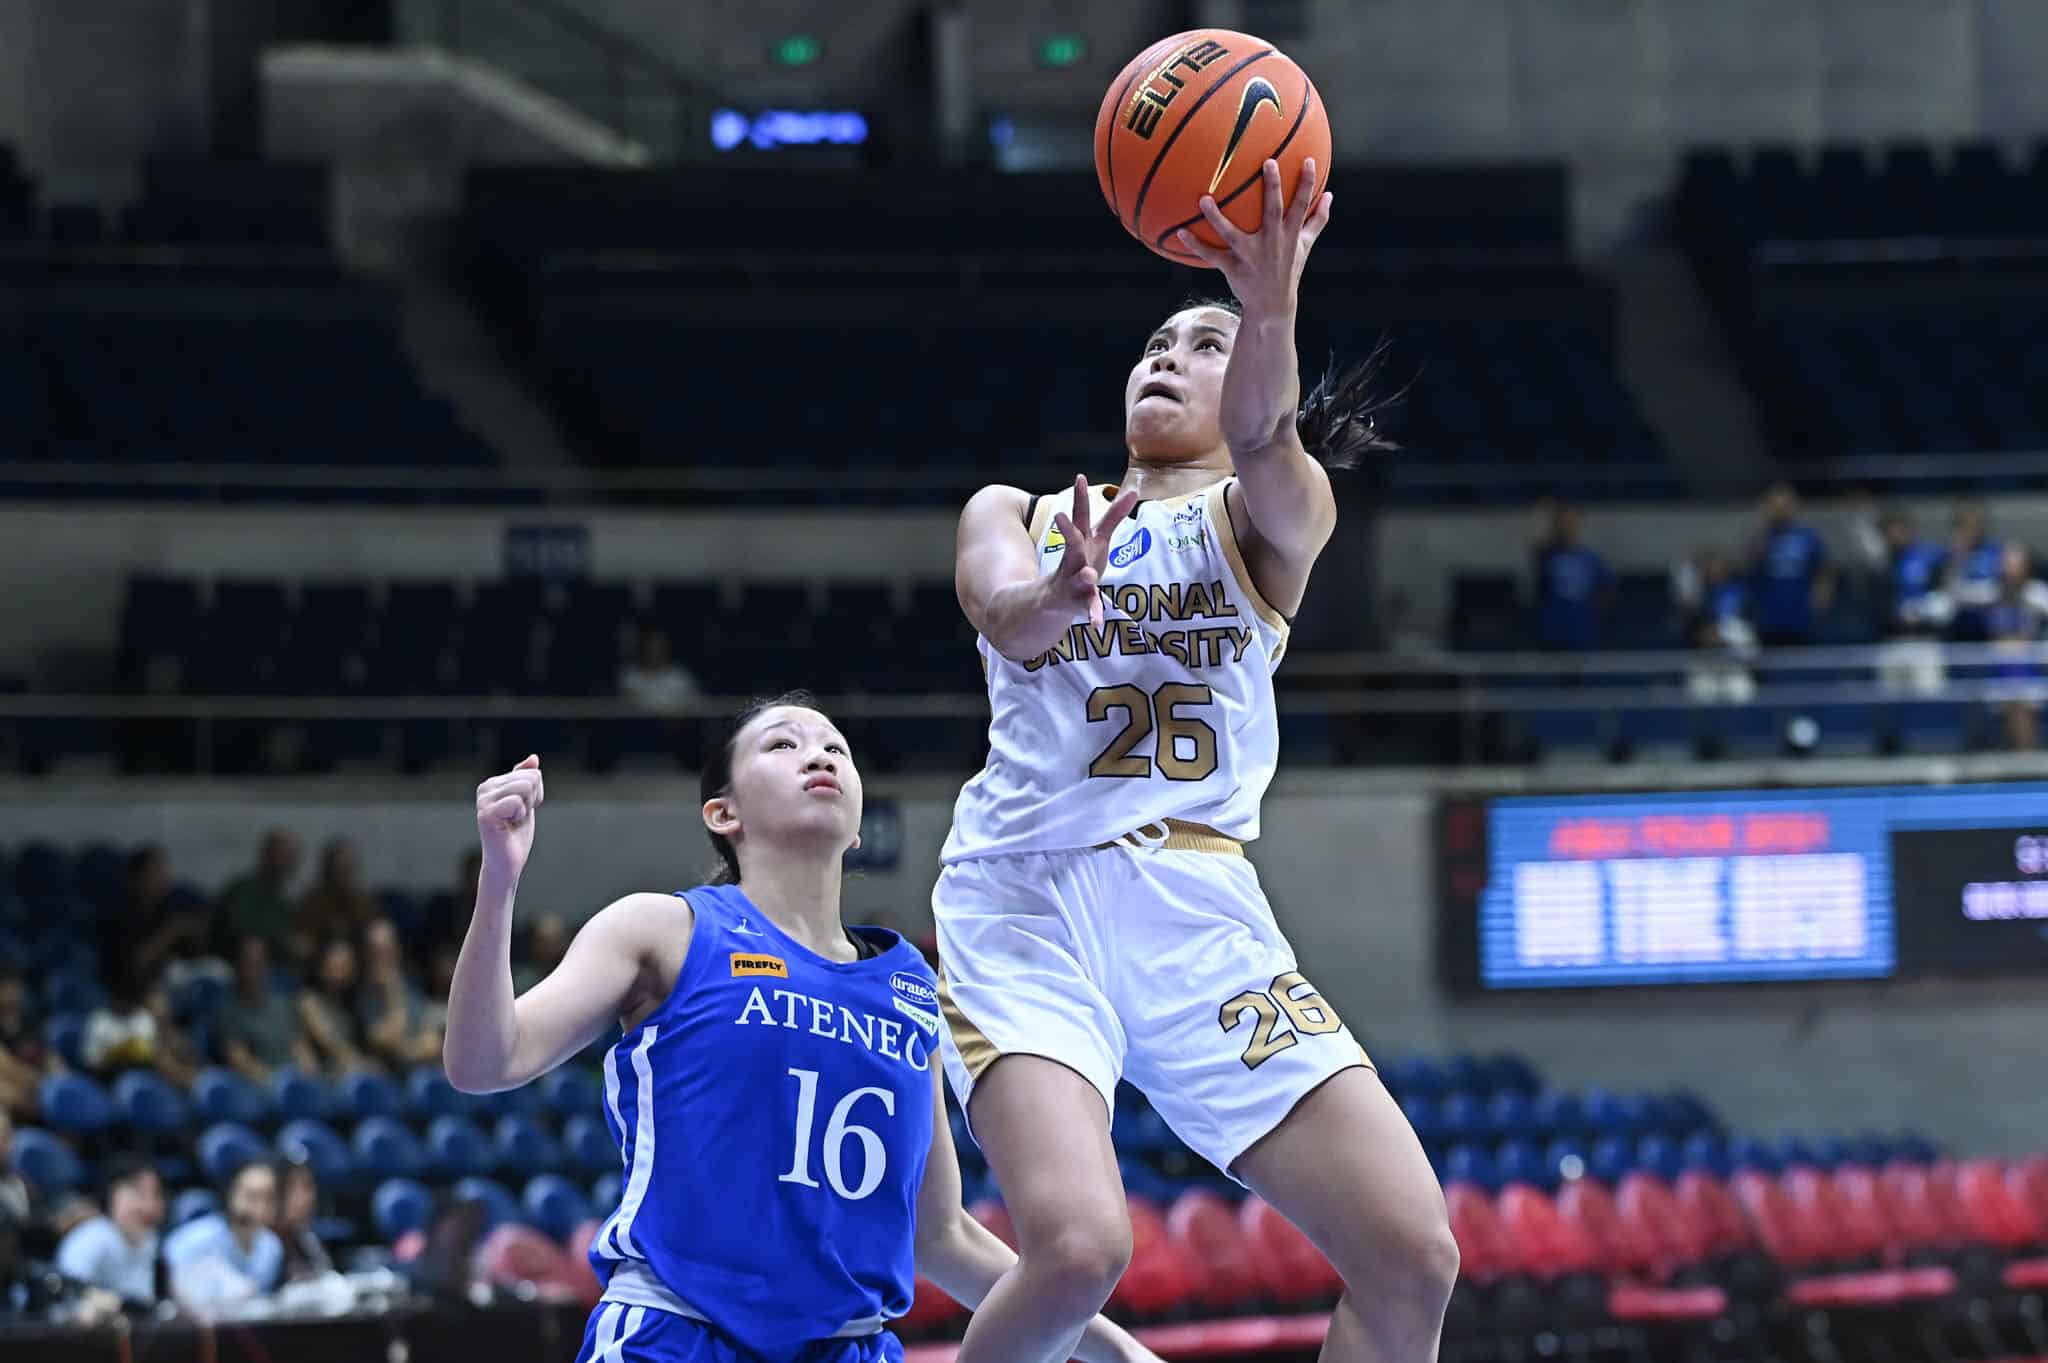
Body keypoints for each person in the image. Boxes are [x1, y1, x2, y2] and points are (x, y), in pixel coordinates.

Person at [940, 159, 1459, 1363]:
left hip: (1192, 900)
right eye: (1155, 340)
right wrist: (1060, 595)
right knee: (1073, 1253)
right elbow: (1004, 616)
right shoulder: (1011, 509)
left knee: (1412, 1258)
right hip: (1021, 893)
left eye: (1202, 341)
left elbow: (1270, 435)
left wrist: (1266, 303)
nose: (1164, 355)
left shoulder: (1271, 519)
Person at [443, 697, 1158, 1363]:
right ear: (723, 812)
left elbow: (937, 1234)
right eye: (782, 745)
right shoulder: (666, 927)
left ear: (857, 821)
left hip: (850, 1345)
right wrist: (499, 881)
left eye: (835, 749)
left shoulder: (907, 979)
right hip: (675, 1334)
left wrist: (1119, 1352)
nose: (818, 756)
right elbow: (484, 1060)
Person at [164, 1157, 283, 1317]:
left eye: (269, 1198)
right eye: (252, 1196)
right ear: (231, 1194)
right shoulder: (194, 1239)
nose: (260, 1207)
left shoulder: (272, 1246)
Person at [54, 1154, 163, 1309]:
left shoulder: (151, 1241)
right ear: (111, 1195)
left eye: (156, 1194)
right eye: (139, 1193)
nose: (149, 1206)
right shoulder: (91, 1238)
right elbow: (65, 1292)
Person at [217, 936, 318, 1084]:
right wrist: (275, 1082)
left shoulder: (282, 1004)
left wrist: (310, 1074)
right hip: (260, 1085)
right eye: (248, 963)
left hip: (294, 1080)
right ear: (237, 967)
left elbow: (299, 1046)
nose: (254, 970)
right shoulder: (229, 1011)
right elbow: (239, 1059)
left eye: (259, 963)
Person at [1745, 482, 1832, 646]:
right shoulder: (1761, 537)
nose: (1780, 510)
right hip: (1769, 616)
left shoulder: (1808, 537)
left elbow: (1823, 571)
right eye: (1775, 506)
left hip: (1801, 614)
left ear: (1794, 506)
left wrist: (1821, 597)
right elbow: (1749, 564)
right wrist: (1761, 526)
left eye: (1785, 505)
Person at [358, 918, 443, 1068]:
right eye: (377, 952)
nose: (384, 958)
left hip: (422, 1069)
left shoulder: (411, 986)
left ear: (397, 950)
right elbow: (388, 1040)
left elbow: (433, 1041)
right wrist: (392, 991)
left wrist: (411, 1050)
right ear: (367, 955)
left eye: (388, 950)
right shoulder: (364, 996)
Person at [1530, 499, 1611, 652]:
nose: (1567, 526)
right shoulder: (1547, 556)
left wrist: (1593, 615)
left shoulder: (1590, 558)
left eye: (1571, 521)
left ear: (1578, 523)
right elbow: (1535, 546)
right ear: (1556, 525)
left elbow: (1606, 589)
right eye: (1563, 522)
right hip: (1552, 633)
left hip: (1582, 632)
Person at [214, 829, 302, 963]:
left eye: (289, 857)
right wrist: (284, 940)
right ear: (265, 856)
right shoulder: (242, 891)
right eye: (280, 856)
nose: (283, 863)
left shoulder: (287, 900)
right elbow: (239, 929)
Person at [298, 939, 377, 1076]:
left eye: (347, 964)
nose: (342, 969)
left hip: (352, 1071)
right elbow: (329, 1041)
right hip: (323, 1072)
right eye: (337, 964)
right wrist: (360, 1062)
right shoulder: (308, 1000)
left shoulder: (352, 1004)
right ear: (322, 967)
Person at [296, 839, 377, 950]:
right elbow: (304, 942)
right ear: (328, 869)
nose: (343, 876)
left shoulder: (363, 904)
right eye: (339, 869)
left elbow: (372, 937)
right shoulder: (312, 903)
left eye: (347, 869)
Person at [620, 627, 701, 713]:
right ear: (643, 647)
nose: (655, 650)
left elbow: (697, 706)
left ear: (666, 648)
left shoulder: (680, 677)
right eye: (651, 645)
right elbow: (625, 708)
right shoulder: (630, 676)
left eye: (659, 645)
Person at [276, 1160, 333, 1283]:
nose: (304, 1198)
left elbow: (326, 1276)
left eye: (308, 1187)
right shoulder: (265, 1242)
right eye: (291, 1188)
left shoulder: (306, 1235)